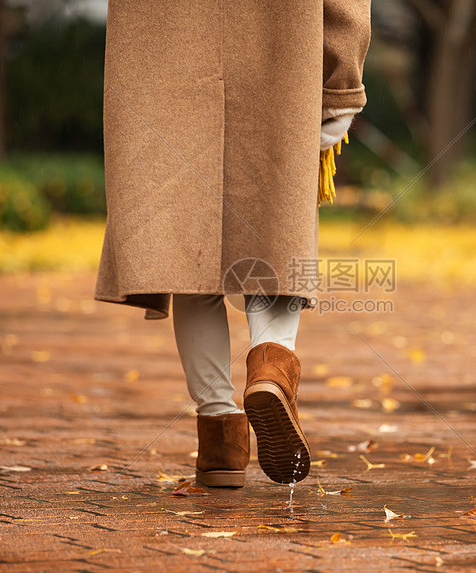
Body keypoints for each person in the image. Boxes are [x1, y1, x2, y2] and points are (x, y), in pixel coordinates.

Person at [94, 1, 371, 487]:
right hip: (279, 44)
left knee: (187, 245)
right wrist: (343, 78)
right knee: (274, 232)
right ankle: (270, 367)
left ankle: (221, 438)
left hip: (162, 48)